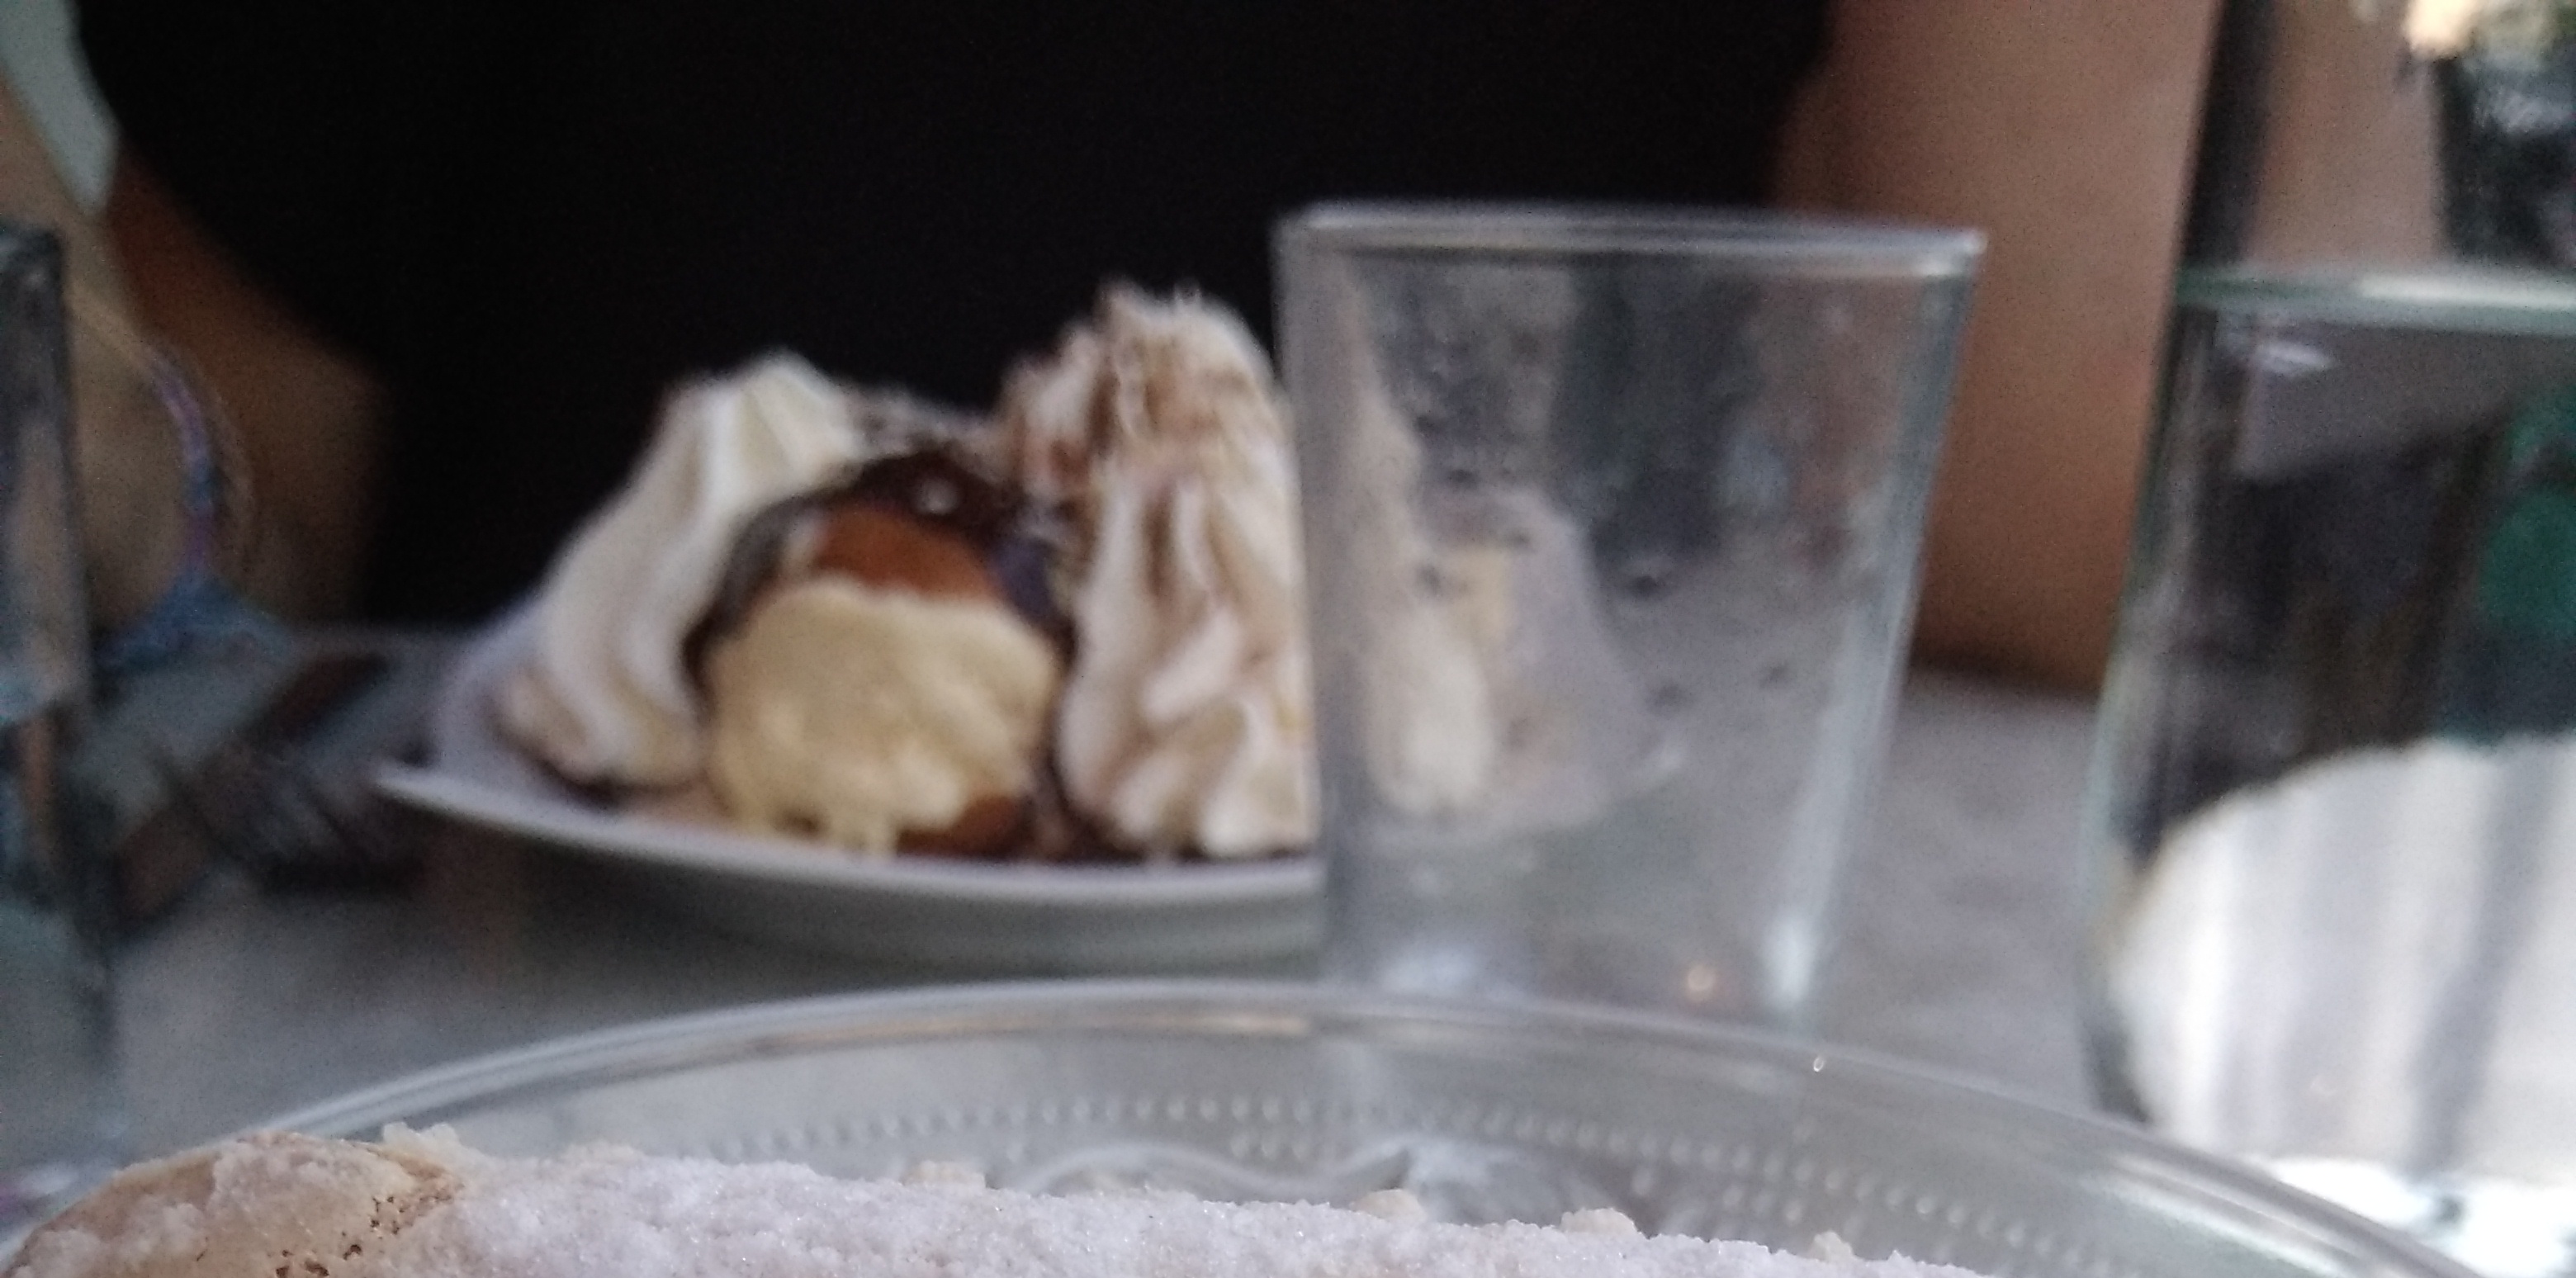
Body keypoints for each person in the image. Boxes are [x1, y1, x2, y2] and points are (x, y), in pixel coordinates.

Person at [12, 0, 2215, 686]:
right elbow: (242, 535)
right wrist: (114, 468)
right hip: (515, 1104)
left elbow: (2065, 500)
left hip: (1551, 1111)